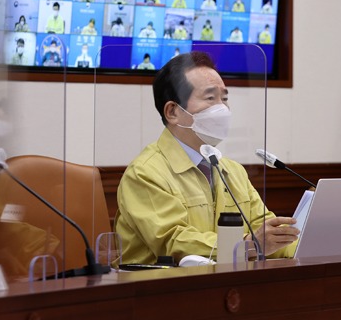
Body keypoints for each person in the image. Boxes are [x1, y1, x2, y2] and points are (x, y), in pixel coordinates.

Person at [114, 51, 299, 264]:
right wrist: (247, 245)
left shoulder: (232, 171)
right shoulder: (145, 173)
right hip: (159, 283)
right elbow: (173, 241)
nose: (223, 108)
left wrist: (300, 244)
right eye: (210, 98)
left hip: (224, 279)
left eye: (224, 99)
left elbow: (264, 231)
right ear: (173, 112)